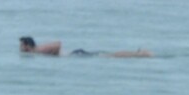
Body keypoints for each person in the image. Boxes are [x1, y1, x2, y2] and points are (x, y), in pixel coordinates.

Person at [19, 35, 153, 58]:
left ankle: (139, 54)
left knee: (109, 56)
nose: (20, 48)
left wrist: (35, 51)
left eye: (21, 45)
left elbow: (58, 44)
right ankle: (138, 54)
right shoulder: (37, 52)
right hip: (76, 55)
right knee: (108, 55)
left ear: (26, 45)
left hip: (76, 55)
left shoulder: (36, 51)